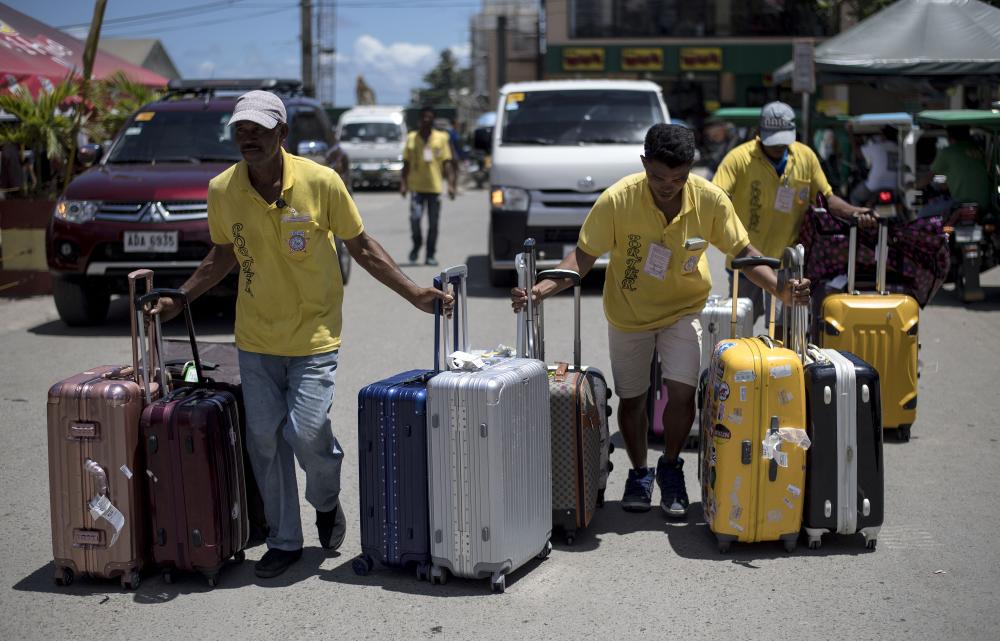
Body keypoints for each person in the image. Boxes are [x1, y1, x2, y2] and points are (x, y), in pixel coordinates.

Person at [150, 90, 453, 579]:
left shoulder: (321, 182)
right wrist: (180, 298)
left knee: (306, 432)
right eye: (240, 129)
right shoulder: (223, 190)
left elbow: (363, 247)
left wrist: (414, 292)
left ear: (282, 134)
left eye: (258, 129)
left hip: (314, 333)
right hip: (254, 336)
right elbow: (221, 254)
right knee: (264, 441)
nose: (247, 137)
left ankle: (327, 502)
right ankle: (285, 539)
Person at [510, 124, 810, 518]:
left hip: (683, 309)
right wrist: (539, 291)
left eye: (678, 178)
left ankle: (670, 466)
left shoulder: (710, 199)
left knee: (682, 393)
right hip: (628, 314)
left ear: (690, 169)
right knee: (632, 398)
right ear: (643, 163)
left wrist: (782, 291)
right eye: (657, 176)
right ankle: (639, 472)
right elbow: (582, 258)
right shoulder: (618, 200)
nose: (667, 186)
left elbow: (743, 252)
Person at [712, 101, 873, 323]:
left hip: (786, 263)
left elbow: (827, 199)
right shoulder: (738, 159)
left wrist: (855, 211)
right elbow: (717, 196)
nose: (779, 146)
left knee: (784, 329)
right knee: (739, 327)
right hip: (745, 263)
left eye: (784, 140)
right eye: (772, 140)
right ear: (758, 133)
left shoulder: (806, 157)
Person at [401, 106, 457, 266]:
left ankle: (430, 254)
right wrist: (403, 184)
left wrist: (451, 185)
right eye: (424, 117)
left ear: (433, 119)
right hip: (416, 188)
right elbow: (406, 162)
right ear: (420, 119)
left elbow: (447, 163)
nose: (426, 119)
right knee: (415, 219)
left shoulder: (441, 138)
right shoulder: (412, 137)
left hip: (435, 188)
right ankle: (417, 244)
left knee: (433, 224)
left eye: (429, 117)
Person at [916, 125, 991, 214]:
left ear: (950, 138)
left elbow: (928, 178)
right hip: (984, 204)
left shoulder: (948, 152)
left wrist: (913, 185)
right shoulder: (978, 151)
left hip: (961, 203)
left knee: (923, 212)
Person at [849, 126, 899, 206]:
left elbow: (857, 153)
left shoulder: (878, 147)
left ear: (884, 136)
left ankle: (858, 217)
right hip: (894, 186)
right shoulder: (899, 149)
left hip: (874, 186)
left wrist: (850, 133)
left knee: (855, 197)